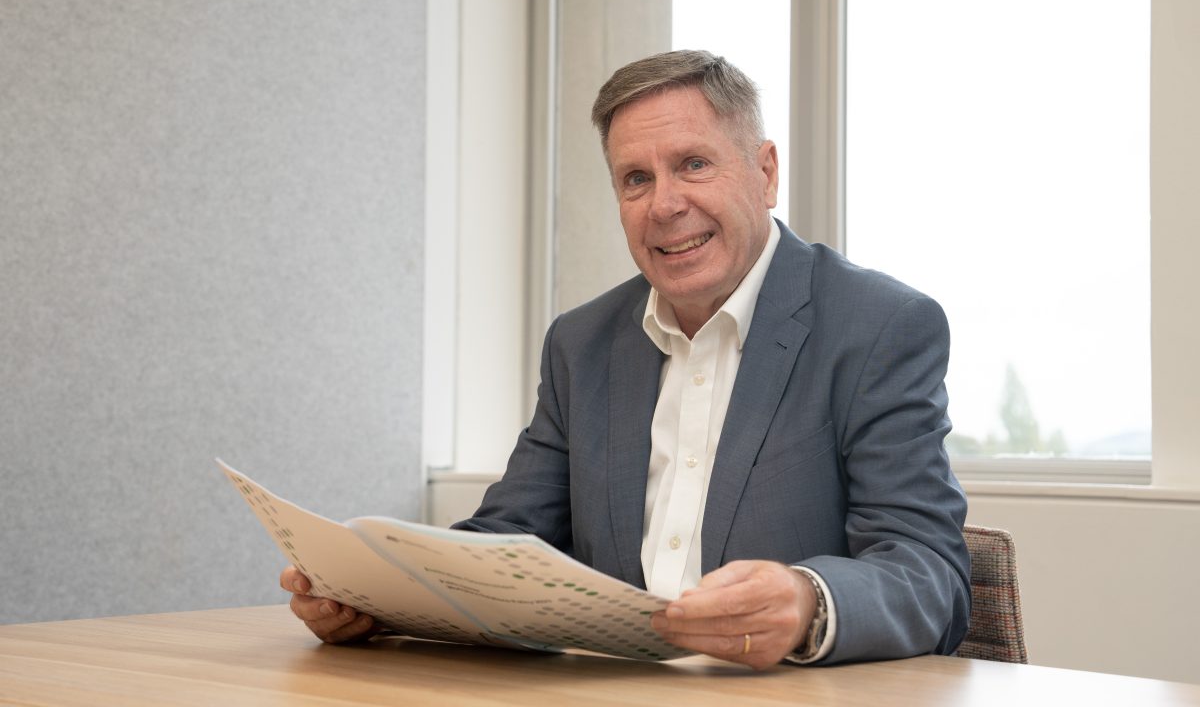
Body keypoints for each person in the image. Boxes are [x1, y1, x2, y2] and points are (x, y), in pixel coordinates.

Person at [282, 50, 971, 669]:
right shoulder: (581, 344)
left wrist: (808, 600)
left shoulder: (881, 327)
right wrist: (380, 598)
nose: (665, 205)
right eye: (636, 179)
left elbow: (929, 573)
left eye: (693, 165)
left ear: (764, 172)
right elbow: (507, 543)